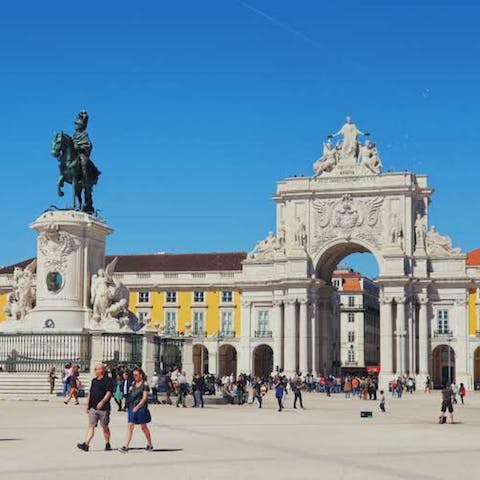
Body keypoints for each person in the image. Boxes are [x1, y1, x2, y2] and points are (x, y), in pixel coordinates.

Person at [77, 364, 113, 452]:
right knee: (91, 425)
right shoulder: (94, 381)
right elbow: (90, 393)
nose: (95, 371)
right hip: (93, 408)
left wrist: (102, 402)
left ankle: (107, 443)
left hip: (104, 408)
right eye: (95, 369)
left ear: (102, 370)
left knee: (104, 427)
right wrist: (87, 405)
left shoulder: (108, 380)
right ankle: (86, 444)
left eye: (97, 369)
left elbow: (109, 393)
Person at [120, 368, 153, 453]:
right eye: (133, 375)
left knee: (143, 427)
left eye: (136, 375)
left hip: (141, 408)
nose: (134, 377)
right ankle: (125, 446)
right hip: (132, 407)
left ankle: (149, 444)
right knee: (130, 425)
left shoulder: (145, 384)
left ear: (141, 375)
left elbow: (144, 398)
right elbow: (130, 395)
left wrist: (137, 407)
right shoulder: (133, 383)